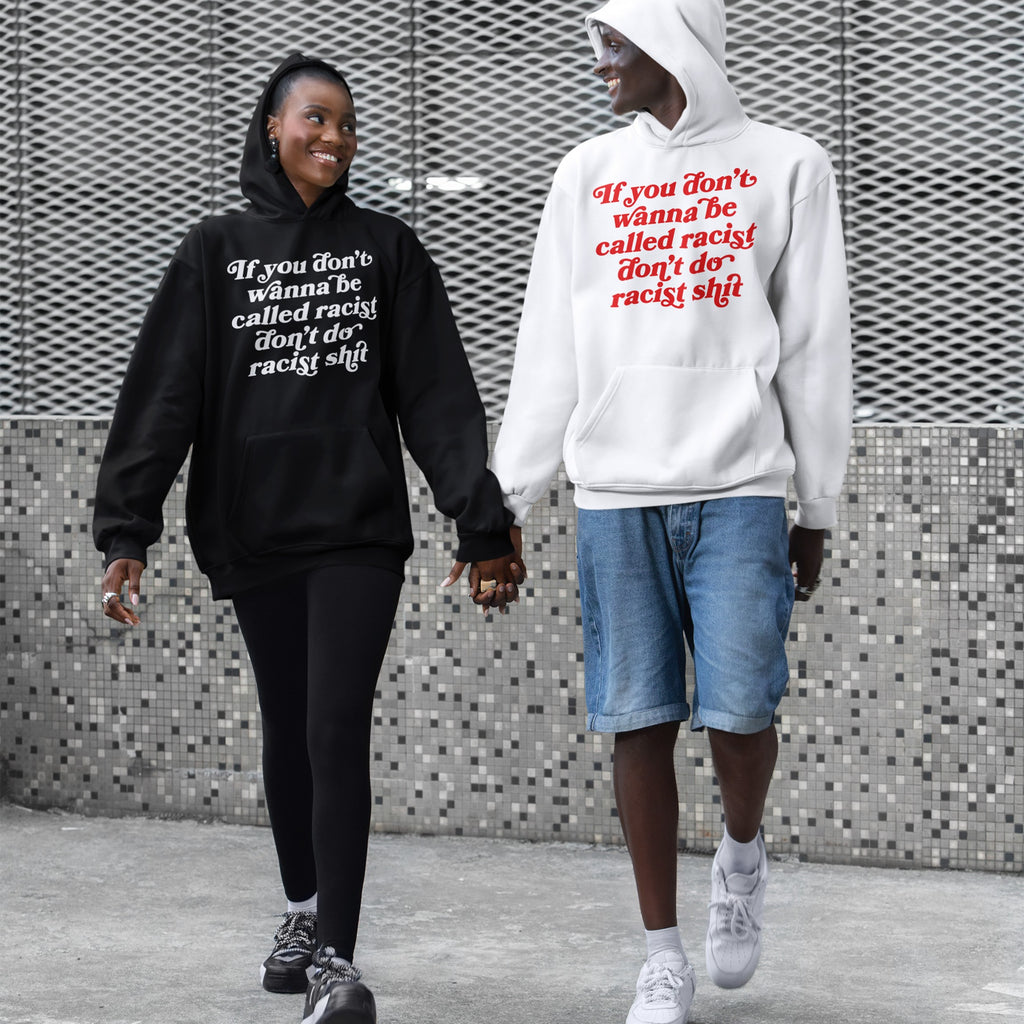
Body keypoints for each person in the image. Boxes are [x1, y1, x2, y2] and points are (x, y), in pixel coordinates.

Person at [93, 54, 523, 1024]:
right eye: (315, 120)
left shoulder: (386, 248)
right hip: (254, 529)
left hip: (357, 532)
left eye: (346, 124)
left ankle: (336, 957)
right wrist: (128, 526)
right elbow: (164, 396)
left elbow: (436, 396)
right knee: (287, 725)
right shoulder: (215, 252)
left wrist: (479, 517)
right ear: (272, 127)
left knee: (334, 725)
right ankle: (298, 909)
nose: (333, 138)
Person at [490, 1, 852, 1021]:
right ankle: (661, 953)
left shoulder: (787, 165)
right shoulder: (586, 175)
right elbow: (547, 346)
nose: (599, 61)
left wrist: (812, 500)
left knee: (742, 713)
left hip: (739, 484)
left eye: (617, 42)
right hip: (614, 490)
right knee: (635, 718)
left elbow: (816, 342)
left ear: (675, 43)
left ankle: (740, 855)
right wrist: (508, 495)